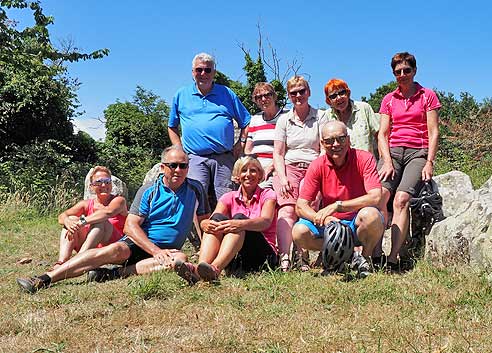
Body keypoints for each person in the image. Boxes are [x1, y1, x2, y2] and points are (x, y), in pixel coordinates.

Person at [16, 146, 211, 293]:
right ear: (162, 167)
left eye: (183, 165)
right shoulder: (149, 191)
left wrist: (206, 248)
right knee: (114, 250)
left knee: (181, 259)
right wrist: (155, 250)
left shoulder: (196, 189)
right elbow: (130, 226)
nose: (178, 170)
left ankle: (111, 274)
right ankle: (44, 279)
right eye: (173, 165)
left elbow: (203, 220)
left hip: (168, 252)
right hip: (141, 244)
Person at [292, 121, 385, 277]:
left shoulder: (364, 158)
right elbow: (300, 206)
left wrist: (339, 206)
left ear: (348, 139)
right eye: (329, 141)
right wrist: (322, 218)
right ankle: (347, 256)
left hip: (357, 220)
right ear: (322, 143)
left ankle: (365, 258)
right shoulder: (317, 165)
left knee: (372, 215)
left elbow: (376, 196)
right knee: (299, 232)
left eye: (340, 139)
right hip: (331, 225)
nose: (335, 144)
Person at [377, 52, 440, 271]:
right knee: (380, 196)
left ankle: (393, 258)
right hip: (393, 152)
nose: (402, 75)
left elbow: (433, 131)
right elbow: (382, 134)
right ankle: (375, 254)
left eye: (406, 70)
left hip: (417, 152)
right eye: (398, 72)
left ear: (414, 71)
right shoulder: (389, 99)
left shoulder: (427, 95)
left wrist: (429, 161)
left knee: (401, 199)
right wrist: (386, 161)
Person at [175, 156, 277, 284]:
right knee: (216, 220)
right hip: (236, 256)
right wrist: (206, 223)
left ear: (260, 175)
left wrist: (240, 223)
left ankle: (215, 269)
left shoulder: (268, 194)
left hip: (263, 255)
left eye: (253, 171)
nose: (248, 174)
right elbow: (213, 219)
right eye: (244, 170)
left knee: (238, 220)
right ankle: (201, 268)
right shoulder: (228, 197)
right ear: (237, 176)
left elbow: (265, 221)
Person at [168, 52, 251, 207]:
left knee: (228, 199)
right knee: (195, 200)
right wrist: (178, 149)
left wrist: (241, 142)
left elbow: (246, 121)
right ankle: (203, 232)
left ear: (214, 72)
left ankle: (227, 231)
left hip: (224, 158)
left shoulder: (226, 93)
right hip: (195, 157)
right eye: (199, 70)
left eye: (207, 70)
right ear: (193, 72)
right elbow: (172, 126)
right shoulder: (181, 94)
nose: (203, 74)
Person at [272, 75, 328, 271]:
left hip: (314, 166)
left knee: (307, 206)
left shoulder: (321, 116)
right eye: (293, 93)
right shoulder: (284, 120)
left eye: (302, 91)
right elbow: (278, 153)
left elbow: (324, 149)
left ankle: (302, 253)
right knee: (287, 209)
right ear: (288, 96)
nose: (298, 95)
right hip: (289, 167)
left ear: (309, 92)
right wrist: (283, 177)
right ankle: (285, 257)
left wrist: (315, 172)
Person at [54, 166, 128, 269]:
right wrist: (67, 221)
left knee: (101, 221)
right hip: (91, 246)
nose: (103, 185)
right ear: (91, 186)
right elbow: (62, 216)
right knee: (71, 219)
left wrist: (82, 222)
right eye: (98, 182)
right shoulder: (86, 204)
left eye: (107, 181)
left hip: (113, 247)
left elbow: (107, 212)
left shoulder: (119, 201)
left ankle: (77, 261)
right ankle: (62, 262)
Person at [244, 82, 288, 189]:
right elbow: (248, 150)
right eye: (258, 97)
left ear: (274, 96)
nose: (263, 99)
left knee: (262, 189)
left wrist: (272, 166)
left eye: (267, 95)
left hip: (276, 166)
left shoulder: (287, 116)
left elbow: (289, 147)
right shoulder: (255, 119)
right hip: (256, 166)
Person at [324, 78, 380, 155]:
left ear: (348, 93)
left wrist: (383, 160)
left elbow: (379, 136)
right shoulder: (326, 116)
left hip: (366, 164)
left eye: (342, 93)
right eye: (333, 96)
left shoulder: (364, 108)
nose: (339, 98)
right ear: (328, 100)